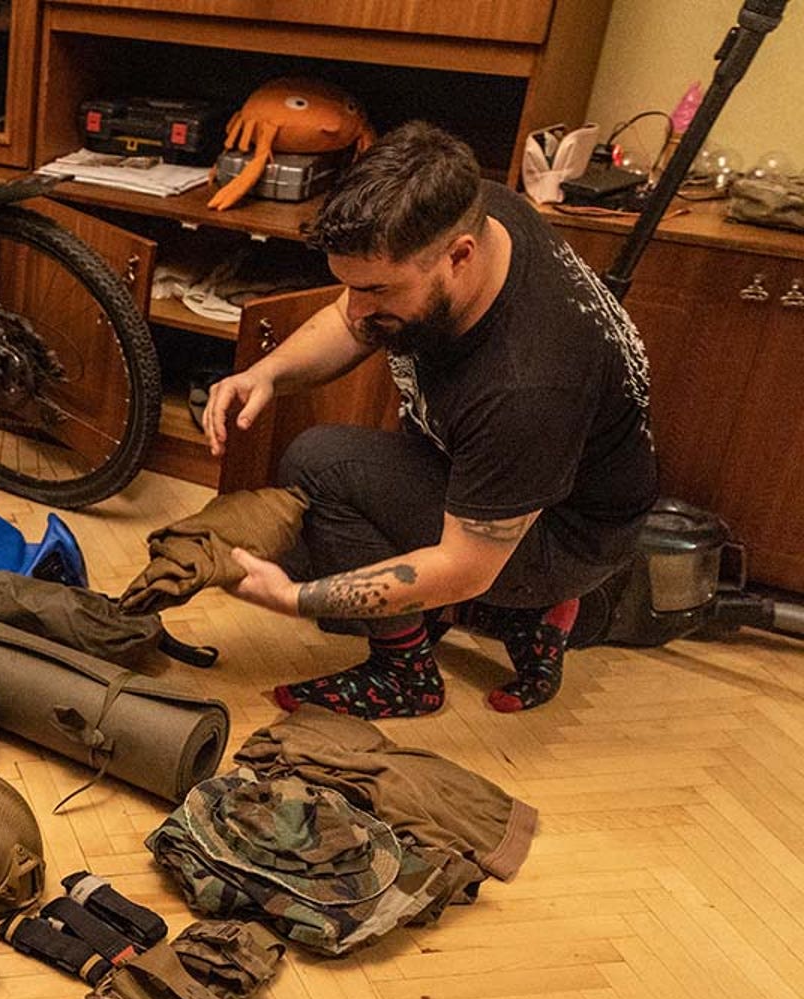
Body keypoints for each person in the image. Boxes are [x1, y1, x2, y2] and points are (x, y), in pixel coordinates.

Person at [202, 121, 657, 718]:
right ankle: (515, 613)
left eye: (378, 292)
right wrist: (267, 373)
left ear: (459, 257)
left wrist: (293, 599)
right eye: (351, 286)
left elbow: (465, 565)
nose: (359, 313)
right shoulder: (467, 208)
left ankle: (407, 675)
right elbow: (350, 317)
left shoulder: (527, 383)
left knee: (321, 469)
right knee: (336, 566)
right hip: (521, 482)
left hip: (562, 537)